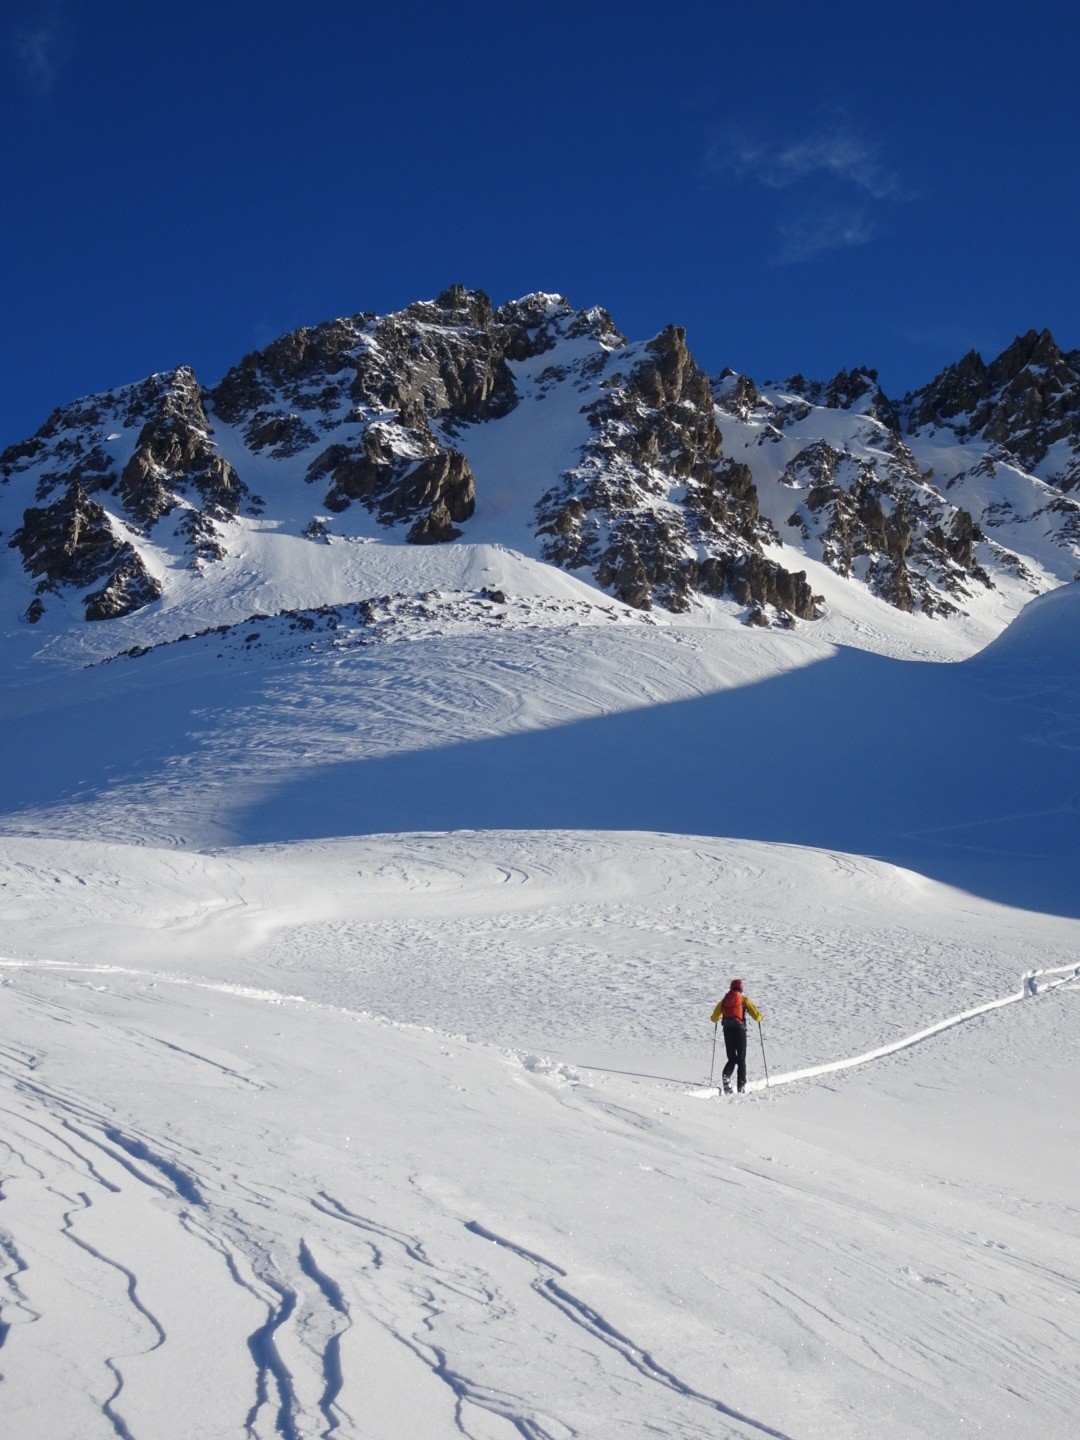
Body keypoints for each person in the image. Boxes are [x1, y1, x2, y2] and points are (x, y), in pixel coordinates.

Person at [710, 979, 763, 1094]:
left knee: (732, 1058)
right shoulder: (744, 1000)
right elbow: (756, 1015)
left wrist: (721, 1017)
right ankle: (741, 1087)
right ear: (741, 988)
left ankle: (726, 1075)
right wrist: (760, 1018)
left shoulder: (725, 1000)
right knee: (741, 1059)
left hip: (727, 1031)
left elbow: (714, 1017)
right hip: (740, 1030)